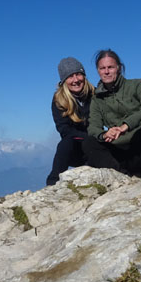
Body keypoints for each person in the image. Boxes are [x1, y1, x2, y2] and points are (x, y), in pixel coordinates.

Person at [84, 49, 141, 177]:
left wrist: (126, 125)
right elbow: (93, 127)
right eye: (102, 68)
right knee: (89, 142)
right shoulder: (97, 99)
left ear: (119, 68)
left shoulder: (137, 85)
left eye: (110, 67)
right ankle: (121, 176)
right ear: (98, 71)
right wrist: (104, 134)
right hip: (120, 155)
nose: (106, 71)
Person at [46, 57, 95, 186]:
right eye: (70, 76)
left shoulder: (95, 94)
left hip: (96, 146)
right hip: (77, 149)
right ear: (64, 81)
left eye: (78, 74)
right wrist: (88, 137)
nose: (76, 80)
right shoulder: (59, 100)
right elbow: (65, 130)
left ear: (84, 76)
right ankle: (53, 182)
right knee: (65, 144)